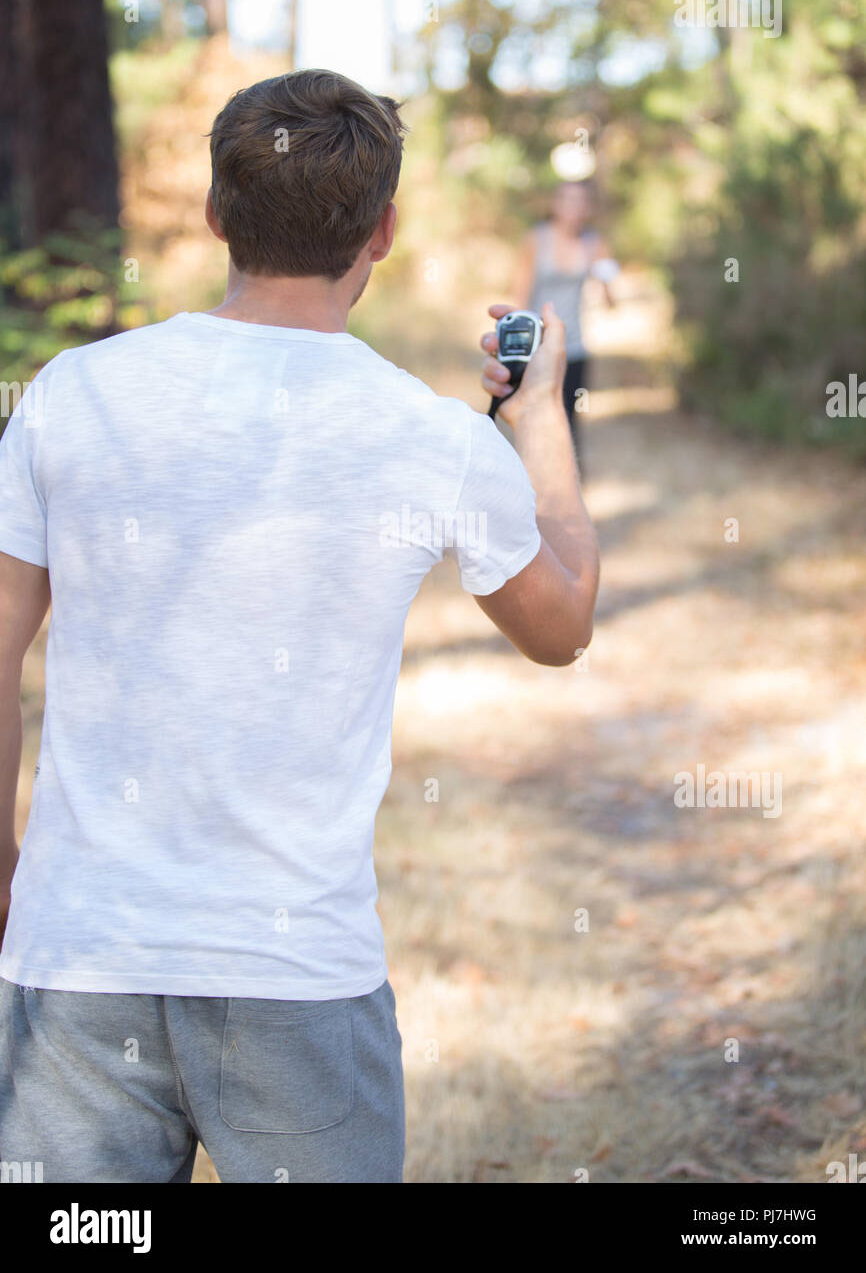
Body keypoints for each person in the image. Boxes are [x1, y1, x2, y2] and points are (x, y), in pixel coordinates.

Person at [0, 69, 599, 1184]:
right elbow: (561, 623)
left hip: (77, 956)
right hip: (296, 975)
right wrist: (538, 423)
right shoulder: (429, 437)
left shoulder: (67, 395)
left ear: (218, 213)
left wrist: (6, 876)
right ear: (381, 230)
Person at [511, 178, 619, 459]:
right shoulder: (536, 239)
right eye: (568, 200)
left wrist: (606, 270)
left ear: (588, 208)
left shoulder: (593, 243)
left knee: (569, 420)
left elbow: (610, 300)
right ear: (556, 204)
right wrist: (518, 346)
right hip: (537, 347)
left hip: (574, 347)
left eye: (580, 202)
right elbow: (520, 295)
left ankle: (569, 488)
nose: (574, 207)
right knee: (534, 418)